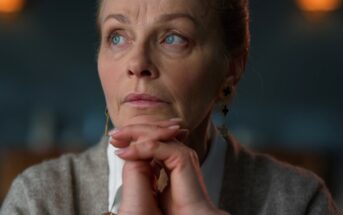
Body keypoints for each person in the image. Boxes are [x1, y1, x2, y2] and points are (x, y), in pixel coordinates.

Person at [1, 0, 339, 214]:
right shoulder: (37, 199)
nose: (137, 63)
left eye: (174, 37)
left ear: (232, 66)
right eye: (117, 36)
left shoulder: (298, 201)